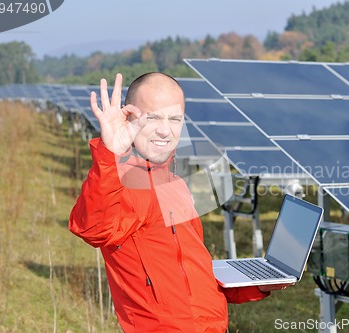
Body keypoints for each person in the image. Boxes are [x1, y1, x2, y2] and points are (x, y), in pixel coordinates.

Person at [69, 72, 289, 332]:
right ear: (128, 117)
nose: (165, 129)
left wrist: (257, 284)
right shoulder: (121, 184)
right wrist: (111, 155)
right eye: (152, 117)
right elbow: (93, 228)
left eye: (175, 118)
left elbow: (194, 276)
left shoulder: (176, 185)